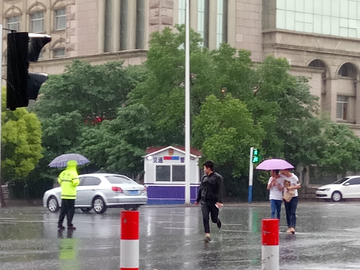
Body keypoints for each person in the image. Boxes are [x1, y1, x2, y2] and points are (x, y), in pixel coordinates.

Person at [195, 160, 224, 243]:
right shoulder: (204, 177)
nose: (204, 170)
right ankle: (207, 235)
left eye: (205, 168)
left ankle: (217, 220)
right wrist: (198, 199)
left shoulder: (218, 178)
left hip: (214, 202)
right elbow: (201, 189)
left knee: (213, 219)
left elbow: (220, 190)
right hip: (204, 201)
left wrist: (219, 201)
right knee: (205, 217)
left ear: (209, 168)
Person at [58, 160, 80, 231]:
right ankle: (69, 224)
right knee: (70, 210)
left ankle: (60, 224)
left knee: (63, 210)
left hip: (63, 194)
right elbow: (75, 183)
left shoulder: (63, 173)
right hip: (70, 195)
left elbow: (59, 181)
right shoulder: (74, 173)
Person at [280, 169, 301, 234]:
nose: (282, 172)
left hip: (293, 196)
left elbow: (299, 185)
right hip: (286, 196)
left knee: (292, 212)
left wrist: (291, 187)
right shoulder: (283, 176)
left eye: (283, 171)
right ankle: (289, 226)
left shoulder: (294, 177)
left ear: (287, 170)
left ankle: (293, 227)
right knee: (287, 212)